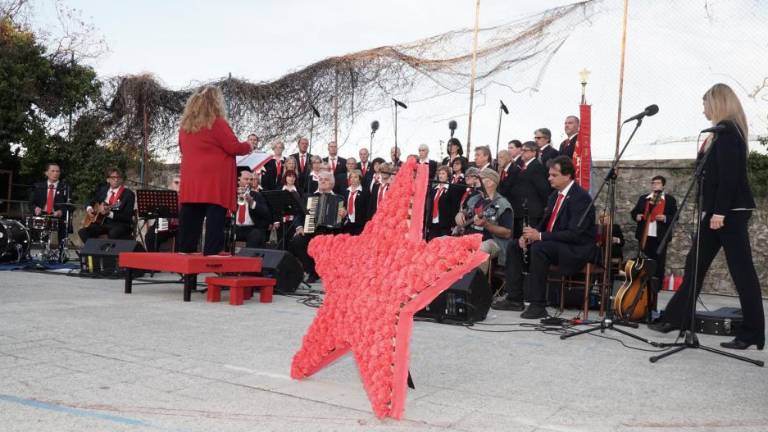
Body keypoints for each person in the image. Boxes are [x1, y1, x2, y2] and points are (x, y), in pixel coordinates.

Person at [650, 83, 764, 351]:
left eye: (705, 104)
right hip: (716, 211)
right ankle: (677, 318)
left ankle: (753, 333)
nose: (703, 109)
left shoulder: (728, 133)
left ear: (717, 103)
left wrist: (719, 212)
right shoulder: (718, 133)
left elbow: (729, 177)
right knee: (694, 263)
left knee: (742, 272)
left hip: (728, 213)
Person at [493, 156, 597, 319]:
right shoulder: (555, 196)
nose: (549, 178)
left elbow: (575, 233)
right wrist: (529, 236)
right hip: (554, 243)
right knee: (515, 245)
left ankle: (538, 304)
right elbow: (545, 223)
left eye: (554, 175)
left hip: (576, 248)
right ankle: (514, 298)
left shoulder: (580, 198)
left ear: (568, 175)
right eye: (549, 175)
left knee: (540, 248)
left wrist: (540, 236)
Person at [176, 86, 254, 255]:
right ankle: (212, 252)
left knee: (190, 215)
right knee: (214, 217)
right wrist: (249, 145)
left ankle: (185, 251)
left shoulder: (185, 127)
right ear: (216, 102)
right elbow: (233, 147)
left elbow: (183, 149)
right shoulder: (217, 123)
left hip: (191, 179)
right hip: (214, 180)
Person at [290, 171, 347, 283]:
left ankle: (327, 272)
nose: (322, 181)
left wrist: (344, 216)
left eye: (325, 179)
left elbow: (343, 221)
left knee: (329, 242)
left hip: (330, 232)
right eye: (320, 179)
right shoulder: (308, 196)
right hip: (310, 230)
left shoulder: (339, 198)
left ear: (331, 183)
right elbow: (298, 215)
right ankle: (312, 271)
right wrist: (299, 227)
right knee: (297, 241)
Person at [454, 168, 513, 274]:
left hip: (492, 241)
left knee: (482, 248)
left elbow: (507, 233)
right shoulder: (474, 199)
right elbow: (466, 212)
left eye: (480, 178)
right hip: (470, 237)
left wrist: (486, 225)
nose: (476, 181)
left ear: (490, 182)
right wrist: (460, 214)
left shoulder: (503, 204)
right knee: (445, 241)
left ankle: (474, 285)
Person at [630, 175, 677, 284]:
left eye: (658, 183)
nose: (655, 185)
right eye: (653, 183)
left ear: (663, 185)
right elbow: (634, 212)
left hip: (660, 235)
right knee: (644, 260)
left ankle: (657, 285)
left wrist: (665, 217)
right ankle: (643, 284)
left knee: (659, 261)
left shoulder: (670, 200)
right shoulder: (644, 198)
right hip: (645, 234)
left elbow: (675, 216)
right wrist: (636, 216)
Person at [78, 167, 135, 243]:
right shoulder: (103, 190)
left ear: (121, 179)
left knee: (113, 233)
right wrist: (89, 209)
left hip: (119, 224)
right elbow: (90, 201)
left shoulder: (128, 194)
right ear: (107, 180)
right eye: (113, 177)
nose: (116, 179)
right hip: (102, 223)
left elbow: (127, 217)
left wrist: (109, 213)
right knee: (83, 232)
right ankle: (94, 253)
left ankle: (110, 254)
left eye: (118, 177)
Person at [510, 141, 551, 237]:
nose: (522, 153)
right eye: (522, 150)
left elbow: (543, 189)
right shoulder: (525, 166)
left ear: (534, 152)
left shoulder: (536, 167)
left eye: (525, 150)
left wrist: (542, 206)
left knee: (528, 239)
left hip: (532, 211)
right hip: (522, 209)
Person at [29, 162, 71, 245]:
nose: (55, 173)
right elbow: (31, 204)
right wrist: (35, 208)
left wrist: (61, 212)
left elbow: (70, 205)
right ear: (46, 173)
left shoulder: (65, 187)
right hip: (42, 215)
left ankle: (60, 252)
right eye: (52, 171)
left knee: (62, 225)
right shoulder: (38, 186)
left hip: (58, 217)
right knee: (28, 223)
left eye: (57, 171)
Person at [233, 169, 271, 248]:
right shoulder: (232, 194)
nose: (249, 182)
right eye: (246, 179)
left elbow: (266, 213)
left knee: (256, 234)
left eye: (251, 179)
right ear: (238, 181)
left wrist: (252, 203)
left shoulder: (257, 195)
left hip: (251, 228)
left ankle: (249, 259)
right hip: (235, 227)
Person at [144, 175, 180, 252]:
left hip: (181, 226)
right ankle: (154, 260)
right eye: (176, 183)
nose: (179, 185)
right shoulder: (163, 197)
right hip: (164, 224)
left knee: (182, 237)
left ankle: (177, 262)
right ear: (170, 185)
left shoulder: (187, 197)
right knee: (149, 237)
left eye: (181, 183)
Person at [427, 166, 459, 240]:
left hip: (445, 224)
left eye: (443, 173)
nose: (440, 175)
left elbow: (454, 207)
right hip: (433, 223)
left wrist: (453, 224)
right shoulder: (434, 189)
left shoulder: (452, 189)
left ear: (448, 176)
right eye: (439, 173)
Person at [343, 169, 369, 235]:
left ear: (360, 179)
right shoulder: (345, 191)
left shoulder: (365, 192)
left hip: (360, 224)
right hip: (347, 223)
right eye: (351, 177)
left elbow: (367, 209)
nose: (353, 179)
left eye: (355, 177)